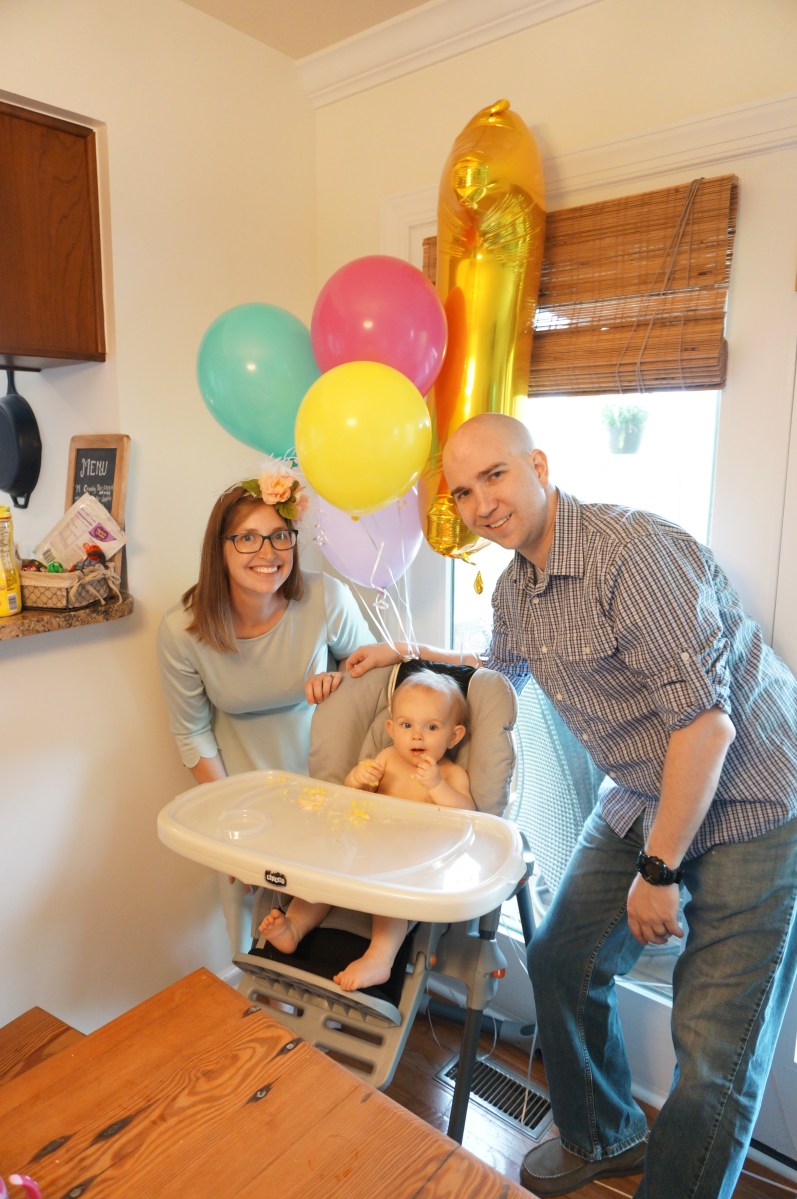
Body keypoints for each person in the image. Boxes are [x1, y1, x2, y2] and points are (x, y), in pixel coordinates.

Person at [347, 411, 797, 1199]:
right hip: (647, 787)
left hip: (752, 794)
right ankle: (604, 1133)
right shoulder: (517, 589)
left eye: (494, 475)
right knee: (560, 958)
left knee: (711, 1054)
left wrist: (657, 870)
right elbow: (497, 673)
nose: (481, 503)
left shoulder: (633, 553)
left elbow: (706, 727)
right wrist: (404, 655)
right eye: (462, 491)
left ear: (539, 466)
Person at [157, 460, 375, 940]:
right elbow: (192, 733)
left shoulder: (326, 598)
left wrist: (339, 681)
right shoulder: (181, 630)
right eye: (247, 538)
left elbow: (374, 681)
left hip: (331, 794)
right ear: (219, 548)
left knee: (336, 936)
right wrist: (226, 823)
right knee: (254, 942)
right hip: (244, 809)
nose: (268, 552)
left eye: (280, 536)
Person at [257, 669, 474, 992]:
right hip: (362, 850)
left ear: (454, 736)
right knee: (322, 874)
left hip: (406, 864)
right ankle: (295, 927)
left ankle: (379, 958)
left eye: (431, 727)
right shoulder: (386, 758)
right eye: (407, 725)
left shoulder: (451, 774)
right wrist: (357, 780)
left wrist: (437, 786)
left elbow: (468, 816)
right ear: (391, 729)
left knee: (391, 902)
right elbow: (352, 801)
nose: (417, 736)